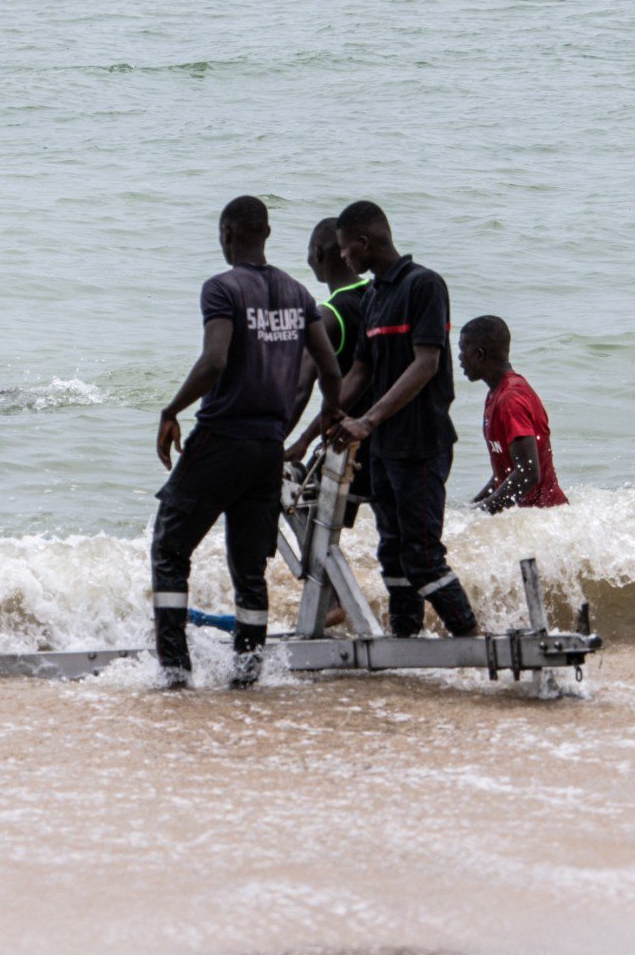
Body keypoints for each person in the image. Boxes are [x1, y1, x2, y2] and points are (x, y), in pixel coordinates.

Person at [151, 196, 343, 689]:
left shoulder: (222, 288)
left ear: (228, 233)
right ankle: (247, 675)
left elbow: (214, 360)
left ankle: (174, 670)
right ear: (268, 233)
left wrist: (172, 410)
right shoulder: (300, 294)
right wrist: (329, 414)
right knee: (249, 567)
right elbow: (330, 370)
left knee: (171, 547)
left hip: (222, 438)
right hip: (267, 448)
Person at [329, 200, 480, 637]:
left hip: (421, 444)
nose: (343, 258)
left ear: (363, 241)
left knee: (422, 555)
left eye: (344, 249)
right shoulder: (374, 295)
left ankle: (469, 637)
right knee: (392, 553)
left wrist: (368, 421)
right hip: (383, 450)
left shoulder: (424, 285)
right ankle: (405, 639)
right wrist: (318, 426)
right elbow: (361, 372)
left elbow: (426, 363)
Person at [287, 217, 373, 523]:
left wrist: (284, 442)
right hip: (389, 438)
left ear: (318, 254)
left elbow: (299, 388)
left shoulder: (328, 315)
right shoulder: (379, 294)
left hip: (348, 444)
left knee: (310, 518)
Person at [458, 316, 567, 513]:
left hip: (546, 518)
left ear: (479, 354)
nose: (459, 357)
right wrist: (469, 509)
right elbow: (503, 475)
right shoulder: (496, 394)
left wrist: (481, 513)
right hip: (530, 519)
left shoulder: (511, 399)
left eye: (462, 350)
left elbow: (528, 473)